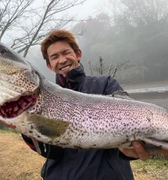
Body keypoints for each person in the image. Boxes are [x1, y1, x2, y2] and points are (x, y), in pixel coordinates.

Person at [21, 29, 154, 180]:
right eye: (55, 57)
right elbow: (52, 152)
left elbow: (130, 124)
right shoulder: (42, 98)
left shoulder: (106, 85)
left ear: (78, 54)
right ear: (49, 65)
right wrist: (28, 128)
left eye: (66, 52)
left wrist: (130, 148)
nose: (62, 60)